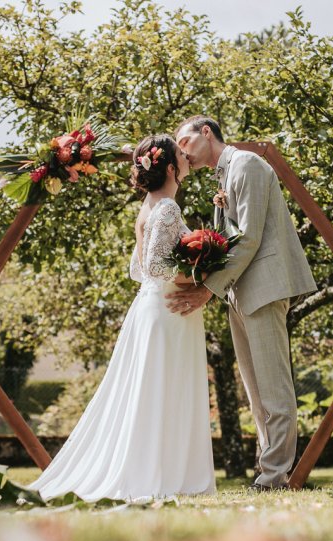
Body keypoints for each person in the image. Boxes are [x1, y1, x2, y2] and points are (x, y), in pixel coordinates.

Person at [29, 135, 216, 501]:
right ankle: (163, 476)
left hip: (152, 307)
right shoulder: (168, 210)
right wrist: (204, 273)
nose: (187, 156)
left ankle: (164, 473)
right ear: (170, 166)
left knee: (153, 393)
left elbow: (136, 269)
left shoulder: (149, 207)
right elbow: (155, 267)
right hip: (168, 310)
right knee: (163, 391)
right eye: (181, 153)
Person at [171, 115, 317, 491]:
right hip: (240, 292)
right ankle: (269, 474)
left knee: (274, 390)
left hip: (264, 288)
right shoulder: (223, 175)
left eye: (184, 141)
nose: (182, 151)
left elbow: (249, 238)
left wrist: (207, 290)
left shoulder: (247, 163)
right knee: (255, 393)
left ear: (206, 132)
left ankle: (273, 476)